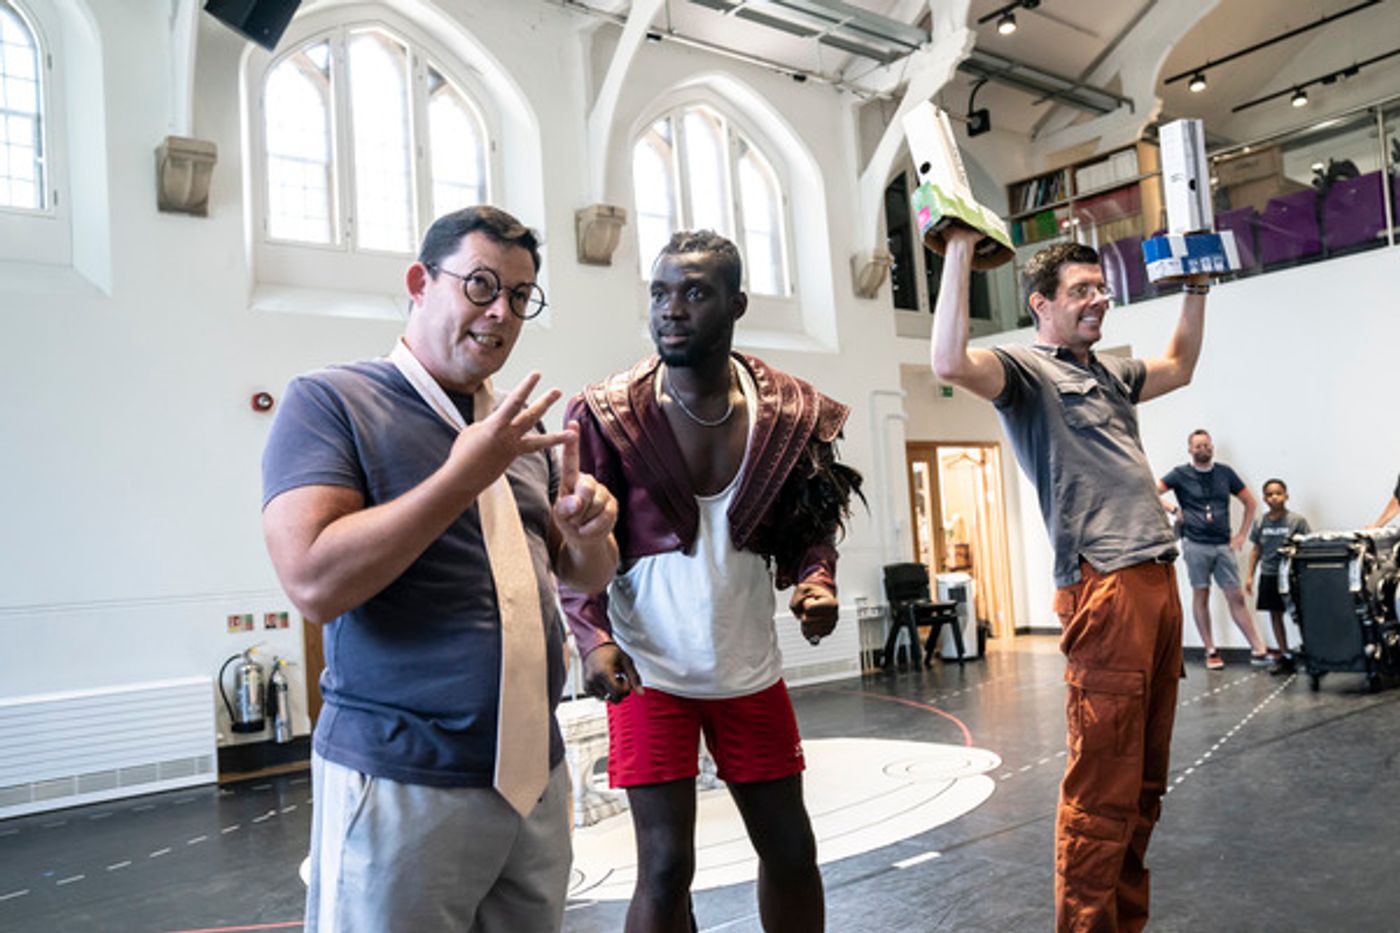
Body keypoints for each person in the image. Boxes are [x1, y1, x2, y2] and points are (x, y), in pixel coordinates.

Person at [260, 206, 619, 933]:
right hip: (402, 777)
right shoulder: (331, 401)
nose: (501, 312)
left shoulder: (518, 433)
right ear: (421, 282)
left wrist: (590, 534)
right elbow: (312, 582)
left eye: (521, 296)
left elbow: (584, 577)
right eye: (481, 285)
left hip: (532, 776)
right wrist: (461, 476)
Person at [559, 230, 861, 933]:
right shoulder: (607, 413)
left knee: (791, 849)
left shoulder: (789, 411)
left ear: (736, 304)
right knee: (665, 868)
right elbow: (575, 535)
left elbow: (812, 523)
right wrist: (592, 635)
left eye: (694, 293)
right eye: (660, 293)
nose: (671, 309)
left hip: (749, 669)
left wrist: (816, 580)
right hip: (648, 671)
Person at [931, 231, 1205, 932]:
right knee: (1102, 785)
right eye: (1080, 290)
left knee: (1143, 783)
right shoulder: (1028, 373)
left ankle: (1123, 923)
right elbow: (948, 359)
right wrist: (960, 249)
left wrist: (1197, 289)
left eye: (1101, 288)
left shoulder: (1109, 372)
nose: (1098, 300)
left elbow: (1179, 364)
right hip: (1105, 585)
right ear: (1041, 305)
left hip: (1157, 576)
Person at [1158, 430, 1271, 669]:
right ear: (1190, 449)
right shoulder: (1180, 474)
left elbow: (1250, 502)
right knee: (1202, 595)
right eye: (1198, 446)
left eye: (1206, 445)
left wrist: (1241, 535)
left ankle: (1258, 649)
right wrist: (1173, 509)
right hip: (1195, 544)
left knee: (1236, 596)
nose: (1203, 450)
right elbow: (1151, 491)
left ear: (1212, 447)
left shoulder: (1224, 473)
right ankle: (1210, 650)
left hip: (1222, 544)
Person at [1244, 478, 1311, 675]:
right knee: (1275, 614)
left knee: (1299, 614)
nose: (1274, 497)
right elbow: (1256, 549)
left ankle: (1310, 653)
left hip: (1290, 575)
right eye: (1270, 494)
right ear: (1265, 498)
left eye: (1278, 493)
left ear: (1286, 496)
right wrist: (1249, 576)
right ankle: (1285, 655)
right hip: (1269, 574)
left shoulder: (1297, 521)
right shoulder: (1260, 522)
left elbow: (1306, 546)